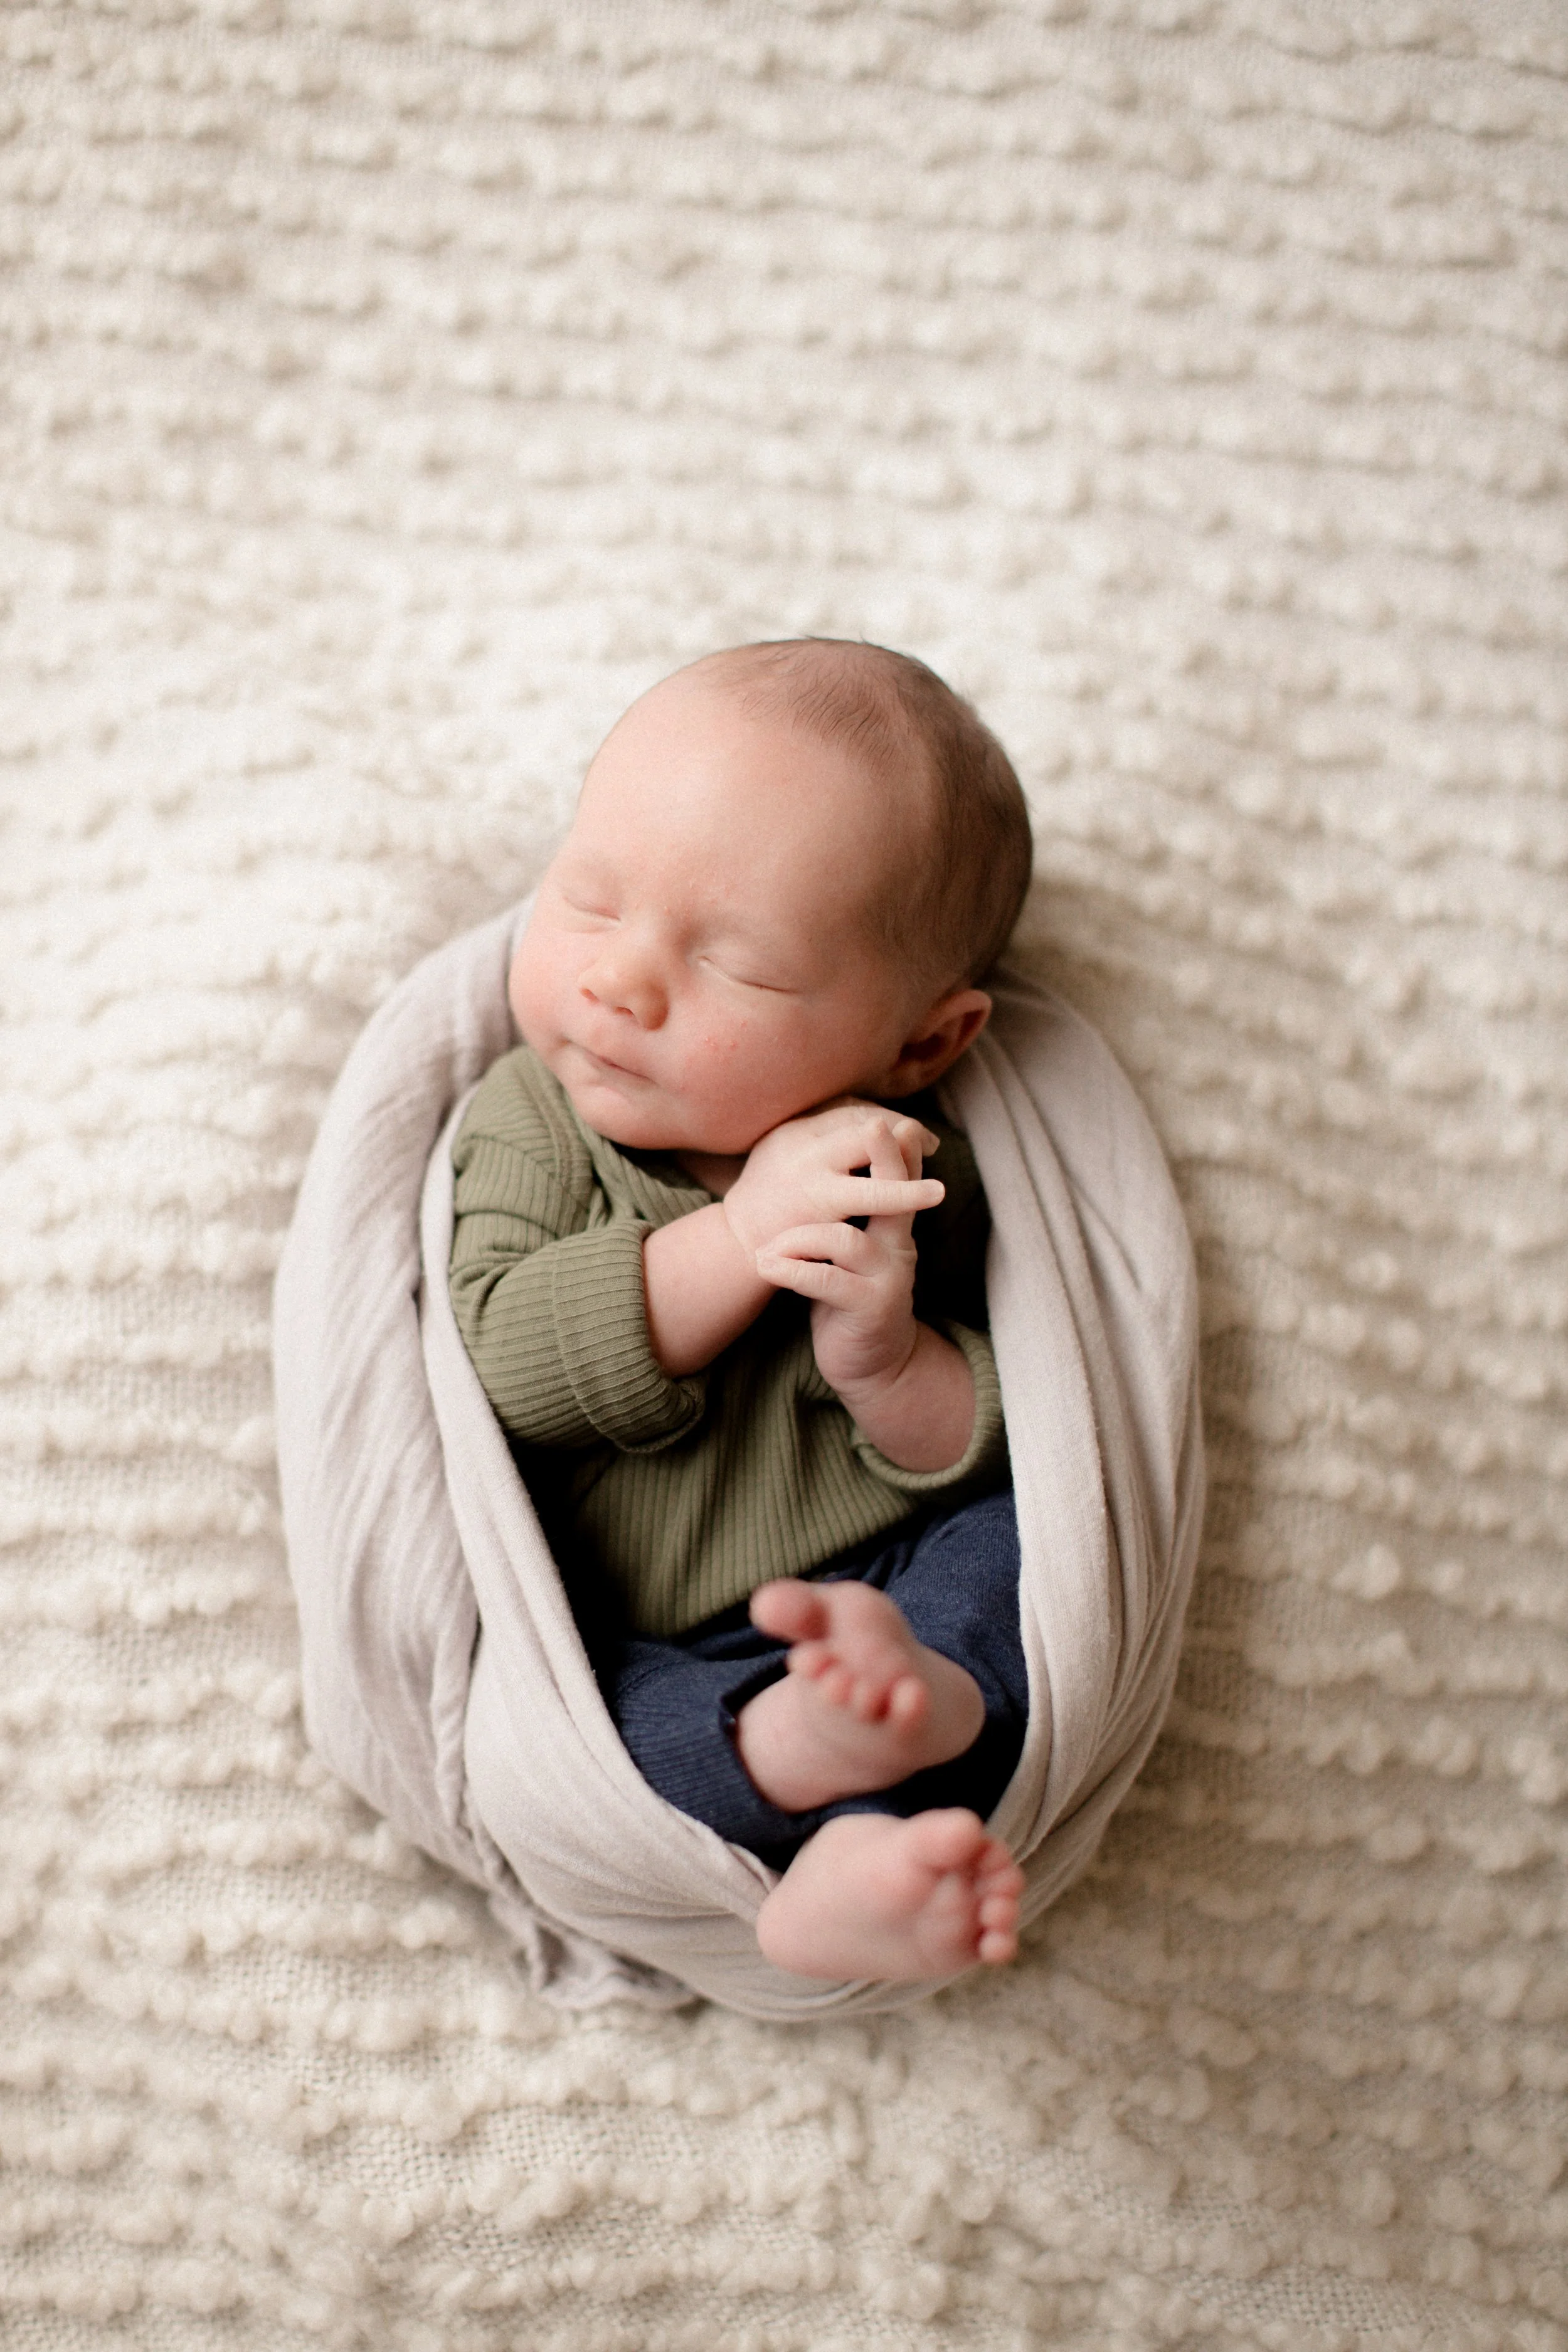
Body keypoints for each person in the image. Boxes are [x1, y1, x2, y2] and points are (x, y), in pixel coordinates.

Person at [448, 638, 1035, 1983]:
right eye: (588, 901)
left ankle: (908, 1739)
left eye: (742, 969)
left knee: (1016, 1552)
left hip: (891, 1584)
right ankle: (811, 1776)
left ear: (923, 1040)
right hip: (654, 1636)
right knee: (561, 1749)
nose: (617, 982)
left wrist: (884, 1357)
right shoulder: (538, 1122)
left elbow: (987, 1435)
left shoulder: (899, 1160)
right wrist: (737, 1239)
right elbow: (510, 1362)